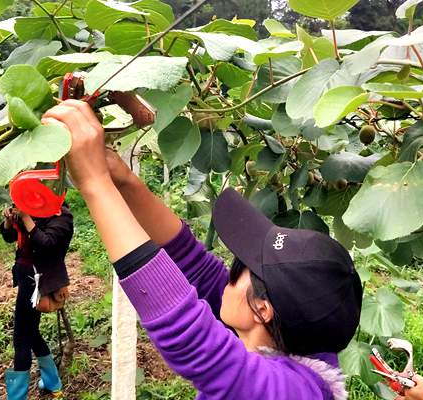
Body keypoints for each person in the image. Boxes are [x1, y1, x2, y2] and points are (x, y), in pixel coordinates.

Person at [40, 99, 364, 400]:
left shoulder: (293, 392)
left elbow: (193, 338)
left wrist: (95, 184)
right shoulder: (302, 339)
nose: (227, 276)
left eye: (238, 272)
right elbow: (195, 266)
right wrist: (123, 180)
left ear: (263, 310)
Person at [0, 205, 73, 400]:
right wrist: (9, 220)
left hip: (39, 279)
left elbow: (47, 244)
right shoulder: (30, 208)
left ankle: (18, 396)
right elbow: (9, 237)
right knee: (31, 333)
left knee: (21, 338)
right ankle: (53, 384)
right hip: (26, 276)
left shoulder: (61, 215)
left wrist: (26, 217)